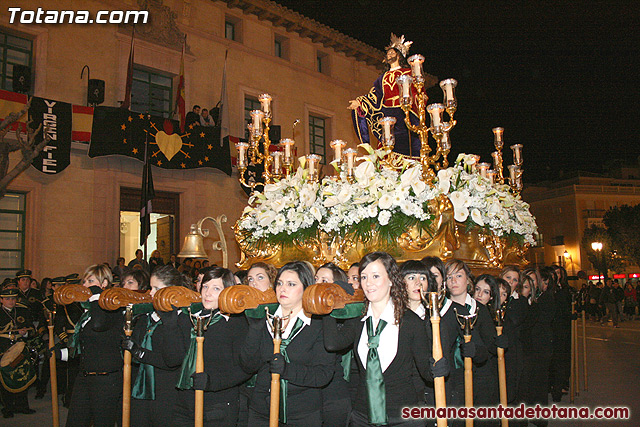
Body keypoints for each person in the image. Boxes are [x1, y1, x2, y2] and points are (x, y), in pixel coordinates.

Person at [323, 252, 447, 426]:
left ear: (390, 280)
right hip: (362, 417)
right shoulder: (358, 320)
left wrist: (439, 368)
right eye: (364, 277)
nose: (368, 283)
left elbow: (427, 372)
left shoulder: (410, 322)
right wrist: (327, 302)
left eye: (375, 276)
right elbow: (332, 343)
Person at [240, 261, 335, 426]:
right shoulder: (265, 319)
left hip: (301, 413)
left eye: (291, 284)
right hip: (262, 410)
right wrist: (255, 330)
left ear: (306, 288)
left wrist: (287, 370)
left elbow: (323, 375)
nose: (282, 289)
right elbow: (248, 365)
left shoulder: (318, 324)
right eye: (280, 283)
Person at [173, 267, 250, 426]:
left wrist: (212, 382)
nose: (207, 293)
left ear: (228, 292)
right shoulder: (191, 318)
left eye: (216, 288)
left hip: (218, 403)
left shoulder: (236, 322)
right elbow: (175, 357)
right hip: (185, 402)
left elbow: (245, 367)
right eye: (205, 286)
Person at [123, 265, 190, 427]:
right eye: (151, 287)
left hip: (165, 392)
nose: (151, 293)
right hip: (140, 389)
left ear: (171, 291)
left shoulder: (181, 319)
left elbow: (173, 360)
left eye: (156, 288)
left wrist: (141, 353)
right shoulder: (146, 316)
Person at [59, 263, 124, 427]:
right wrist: (61, 353)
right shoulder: (88, 311)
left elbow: (99, 325)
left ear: (104, 284)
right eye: (84, 281)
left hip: (106, 379)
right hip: (85, 376)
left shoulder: (112, 307)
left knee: (103, 422)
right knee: (75, 421)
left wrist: (96, 296)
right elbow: (85, 344)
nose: (85, 285)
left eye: (90, 281)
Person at [349, 34, 424, 157]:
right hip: (387, 115)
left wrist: (411, 104)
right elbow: (374, 96)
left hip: (404, 113)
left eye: (392, 53)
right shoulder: (382, 78)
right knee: (387, 149)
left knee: (409, 147)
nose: (389, 55)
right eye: (387, 53)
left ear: (399, 55)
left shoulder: (408, 73)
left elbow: (418, 92)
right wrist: (360, 103)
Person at [443, 260, 495, 427]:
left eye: (459, 276)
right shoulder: (441, 310)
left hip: (479, 377)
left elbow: (489, 347)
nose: (454, 281)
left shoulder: (479, 309)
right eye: (449, 277)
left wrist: (478, 350)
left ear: (468, 280)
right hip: (452, 377)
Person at [313, 262, 352, 427]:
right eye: (316, 279)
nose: (318, 284)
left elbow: (331, 344)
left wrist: (329, 301)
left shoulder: (345, 315)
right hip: (308, 394)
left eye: (324, 280)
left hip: (334, 395)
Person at [520, 267, 555, 427]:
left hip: (540, 348)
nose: (531, 283)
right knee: (526, 385)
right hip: (526, 349)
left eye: (533, 280)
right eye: (527, 280)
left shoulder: (544, 299)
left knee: (539, 384)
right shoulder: (521, 300)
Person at [0, 287, 36, 418]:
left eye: (13, 298)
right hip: (4, 351)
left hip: (20, 349)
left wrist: (25, 333)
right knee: (6, 381)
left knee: (22, 377)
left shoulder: (22, 311)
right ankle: (8, 408)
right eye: (7, 299)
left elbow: (32, 329)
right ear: (1, 300)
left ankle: (23, 406)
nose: (11, 301)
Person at [499, 265, 528, 408]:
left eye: (514, 279)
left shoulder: (520, 301)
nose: (510, 282)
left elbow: (513, 322)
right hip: (495, 349)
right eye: (508, 278)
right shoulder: (492, 299)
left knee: (511, 390)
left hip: (512, 351)